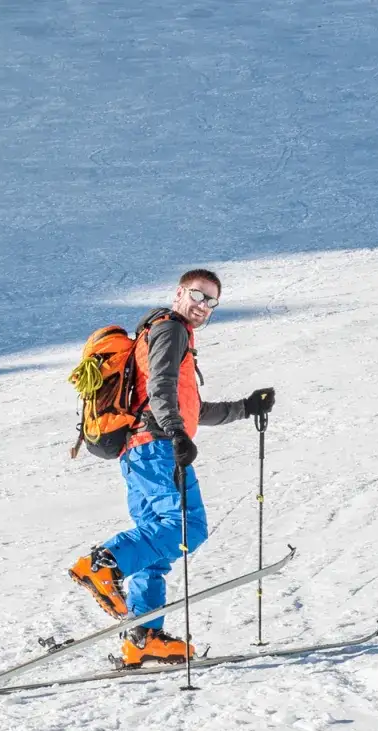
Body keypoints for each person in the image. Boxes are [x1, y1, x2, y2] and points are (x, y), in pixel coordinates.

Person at [69, 269, 275, 666]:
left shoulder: (162, 332)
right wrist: (176, 434)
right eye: (198, 295)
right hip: (157, 447)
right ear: (181, 293)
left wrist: (245, 408)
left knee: (155, 546)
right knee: (186, 528)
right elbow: (163, 387)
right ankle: (103, 563)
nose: (203, 306)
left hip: (139, 453)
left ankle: (143, 637)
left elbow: (189, 406)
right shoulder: (170, 329)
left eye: (211, 301)